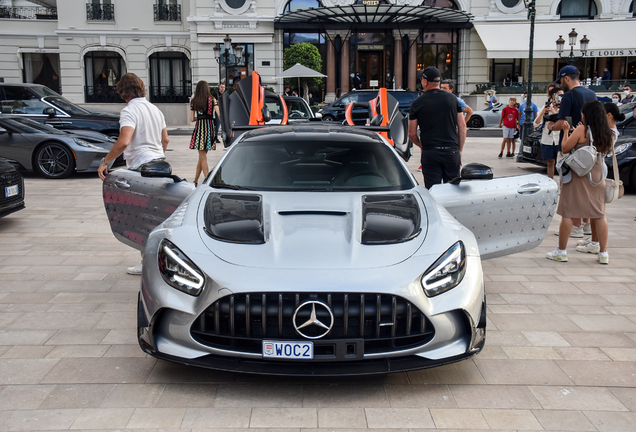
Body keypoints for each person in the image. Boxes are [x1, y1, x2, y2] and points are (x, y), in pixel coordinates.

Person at [97, 73, 169, 275]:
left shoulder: (129, 110)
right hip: (160, 164)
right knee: (156, 215)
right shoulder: (155, 109)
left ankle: (146, 263)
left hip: (141, 167)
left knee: (140, 217)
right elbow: (165, 140)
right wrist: (158, 154)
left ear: (122, 91)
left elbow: (124, 141)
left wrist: (105, 162)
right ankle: (158, 260)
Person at [547, 100, 613, 264]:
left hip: (578, 176)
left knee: (568, 213)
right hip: (597, 177)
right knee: (599, 214)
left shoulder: (582, 130)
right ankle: (603, 253)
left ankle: (561, 251)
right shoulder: (607, 132)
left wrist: (567, 132)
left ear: (587, 114)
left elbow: (565, 148)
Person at [551, 65, 597, 238]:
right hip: (591, 145)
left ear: (566, 78)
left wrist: (551, 126)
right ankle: (586, 225)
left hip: (575, 143)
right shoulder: (591, 93)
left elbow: (562, 122)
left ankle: (576, 226)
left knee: (574, 188)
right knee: (587, 188)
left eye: (561, 80)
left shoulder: (569, 95)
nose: (561, 84)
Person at [576, 102, 624, 255]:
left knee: (597, 212)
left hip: (596, 170)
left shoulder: (608, 132)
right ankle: (595, 243)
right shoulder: (608, 131)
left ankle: (598, 245)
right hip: (599, 170)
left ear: (609, 115)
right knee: (596, 211)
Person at [408, 66, 466, 189]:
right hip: (451, 151)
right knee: (453, 191)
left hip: (431, 151)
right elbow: (462, 127)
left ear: (425, 81)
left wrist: (422, 146)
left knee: (433, 190)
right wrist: (459, 151)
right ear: (439, 82)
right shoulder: (452, 99)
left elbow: (412, 134)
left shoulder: (417, 103)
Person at [189, 80, 221, 186]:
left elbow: (191, 119)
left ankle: (207, 181)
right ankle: (195, 181)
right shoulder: (212, 99)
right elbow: (219, 114)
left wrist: (199, 117)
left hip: (200, 130)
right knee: (202, 157)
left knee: (202, 157)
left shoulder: (194, 101)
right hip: (210, 129)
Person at [534, 86, 563, 179]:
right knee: (550, 162)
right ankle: (550, 181)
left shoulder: (563, 108)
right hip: (547, 139)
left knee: (561, 163)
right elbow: (536, 124)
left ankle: (562, 186)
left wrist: (554, 112)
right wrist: (543, 112)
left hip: (559, 139)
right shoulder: (546, 107)